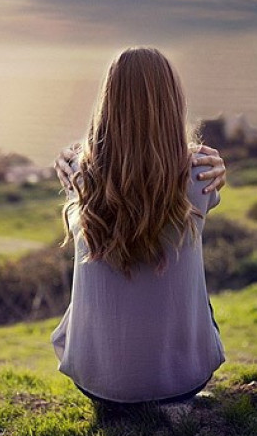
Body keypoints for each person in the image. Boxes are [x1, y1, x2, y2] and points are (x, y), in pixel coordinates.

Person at [50, 47, 227, 406]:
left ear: (107, 103)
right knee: (199, 300)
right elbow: (192, 177)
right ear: (172, 102)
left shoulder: (80, 175)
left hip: (96, 382)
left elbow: (91, 161)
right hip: (182, 382)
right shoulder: (199, 174)